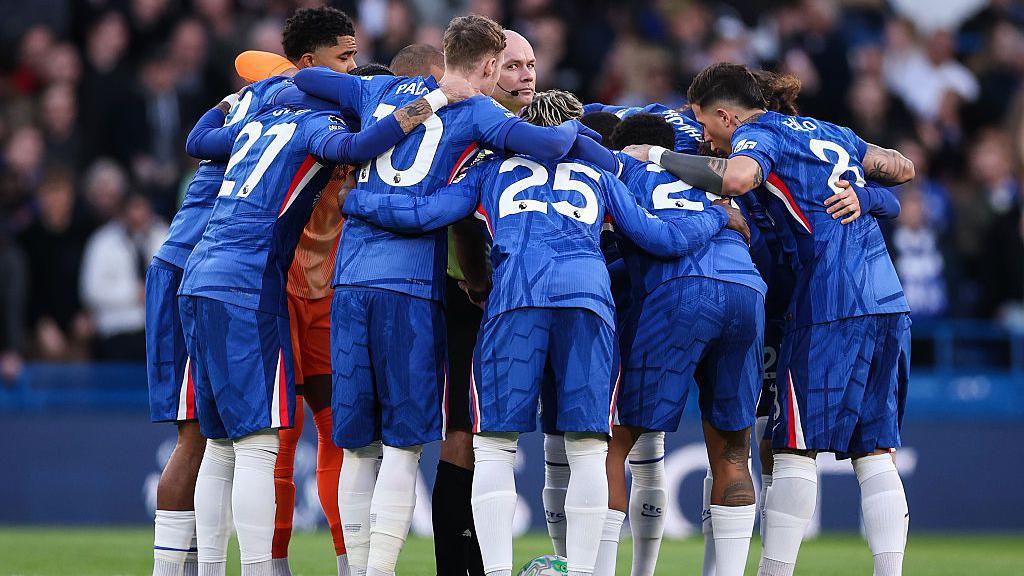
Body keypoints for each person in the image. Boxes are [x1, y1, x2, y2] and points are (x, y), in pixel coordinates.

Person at [335, 89, 741, 576]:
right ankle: (586, 572)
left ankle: (500, 572)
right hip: (587, 300)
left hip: (516, 297)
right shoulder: (599, 173)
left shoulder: (488, 170)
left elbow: (426, 215)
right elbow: (661, 236)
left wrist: (357, 201)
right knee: (589, 447)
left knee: (495, 445)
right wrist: (719, 215)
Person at [290, 15, 597, 576]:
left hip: (351, 278)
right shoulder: (478, 111)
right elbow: (548, 144)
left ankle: (353, 570)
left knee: (357, 446)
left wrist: (360, 196)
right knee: (406, 446)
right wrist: (577, 128)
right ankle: (381, 567)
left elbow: (303, 80)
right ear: (486, 67)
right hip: (411, 286)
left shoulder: (376, 86)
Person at [179, 66, 470, 576]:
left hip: (215, 276)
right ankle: (279, 565)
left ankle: (255, 566)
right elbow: (359, 150)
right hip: (272, 288)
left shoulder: (259, 119)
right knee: (268, 444)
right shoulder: (326, 131)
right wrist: (434, 101)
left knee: (231, 444)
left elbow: (198, 139)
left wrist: (232, 101)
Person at [626, 62, 915, 576]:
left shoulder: (758, 135)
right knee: (874, 449)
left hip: (829, 301)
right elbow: (900, 165)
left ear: (723, 115)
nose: (710, 141)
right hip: (888, 298)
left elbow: (737, 178)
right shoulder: (832, 130)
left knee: (795, 449)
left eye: (708, 126)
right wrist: (866, 195)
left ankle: (775, 570)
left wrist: (656, 155)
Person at [594, 112, 765, 576]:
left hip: (679, 293)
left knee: (611, 445)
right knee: (732, 453)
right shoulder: (709, 176)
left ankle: (600, 569)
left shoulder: (617, 169)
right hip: (747, 292)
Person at [429, 29, 537, 576]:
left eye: (530, 65)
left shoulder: (527, 130)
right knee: (465, 436)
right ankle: (459, 564)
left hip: (524, 300)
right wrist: (475, 277)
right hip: (469, 298)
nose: (524, 75)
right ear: (489, 70)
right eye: (512, 65)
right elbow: (461, 222)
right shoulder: (468, 126)